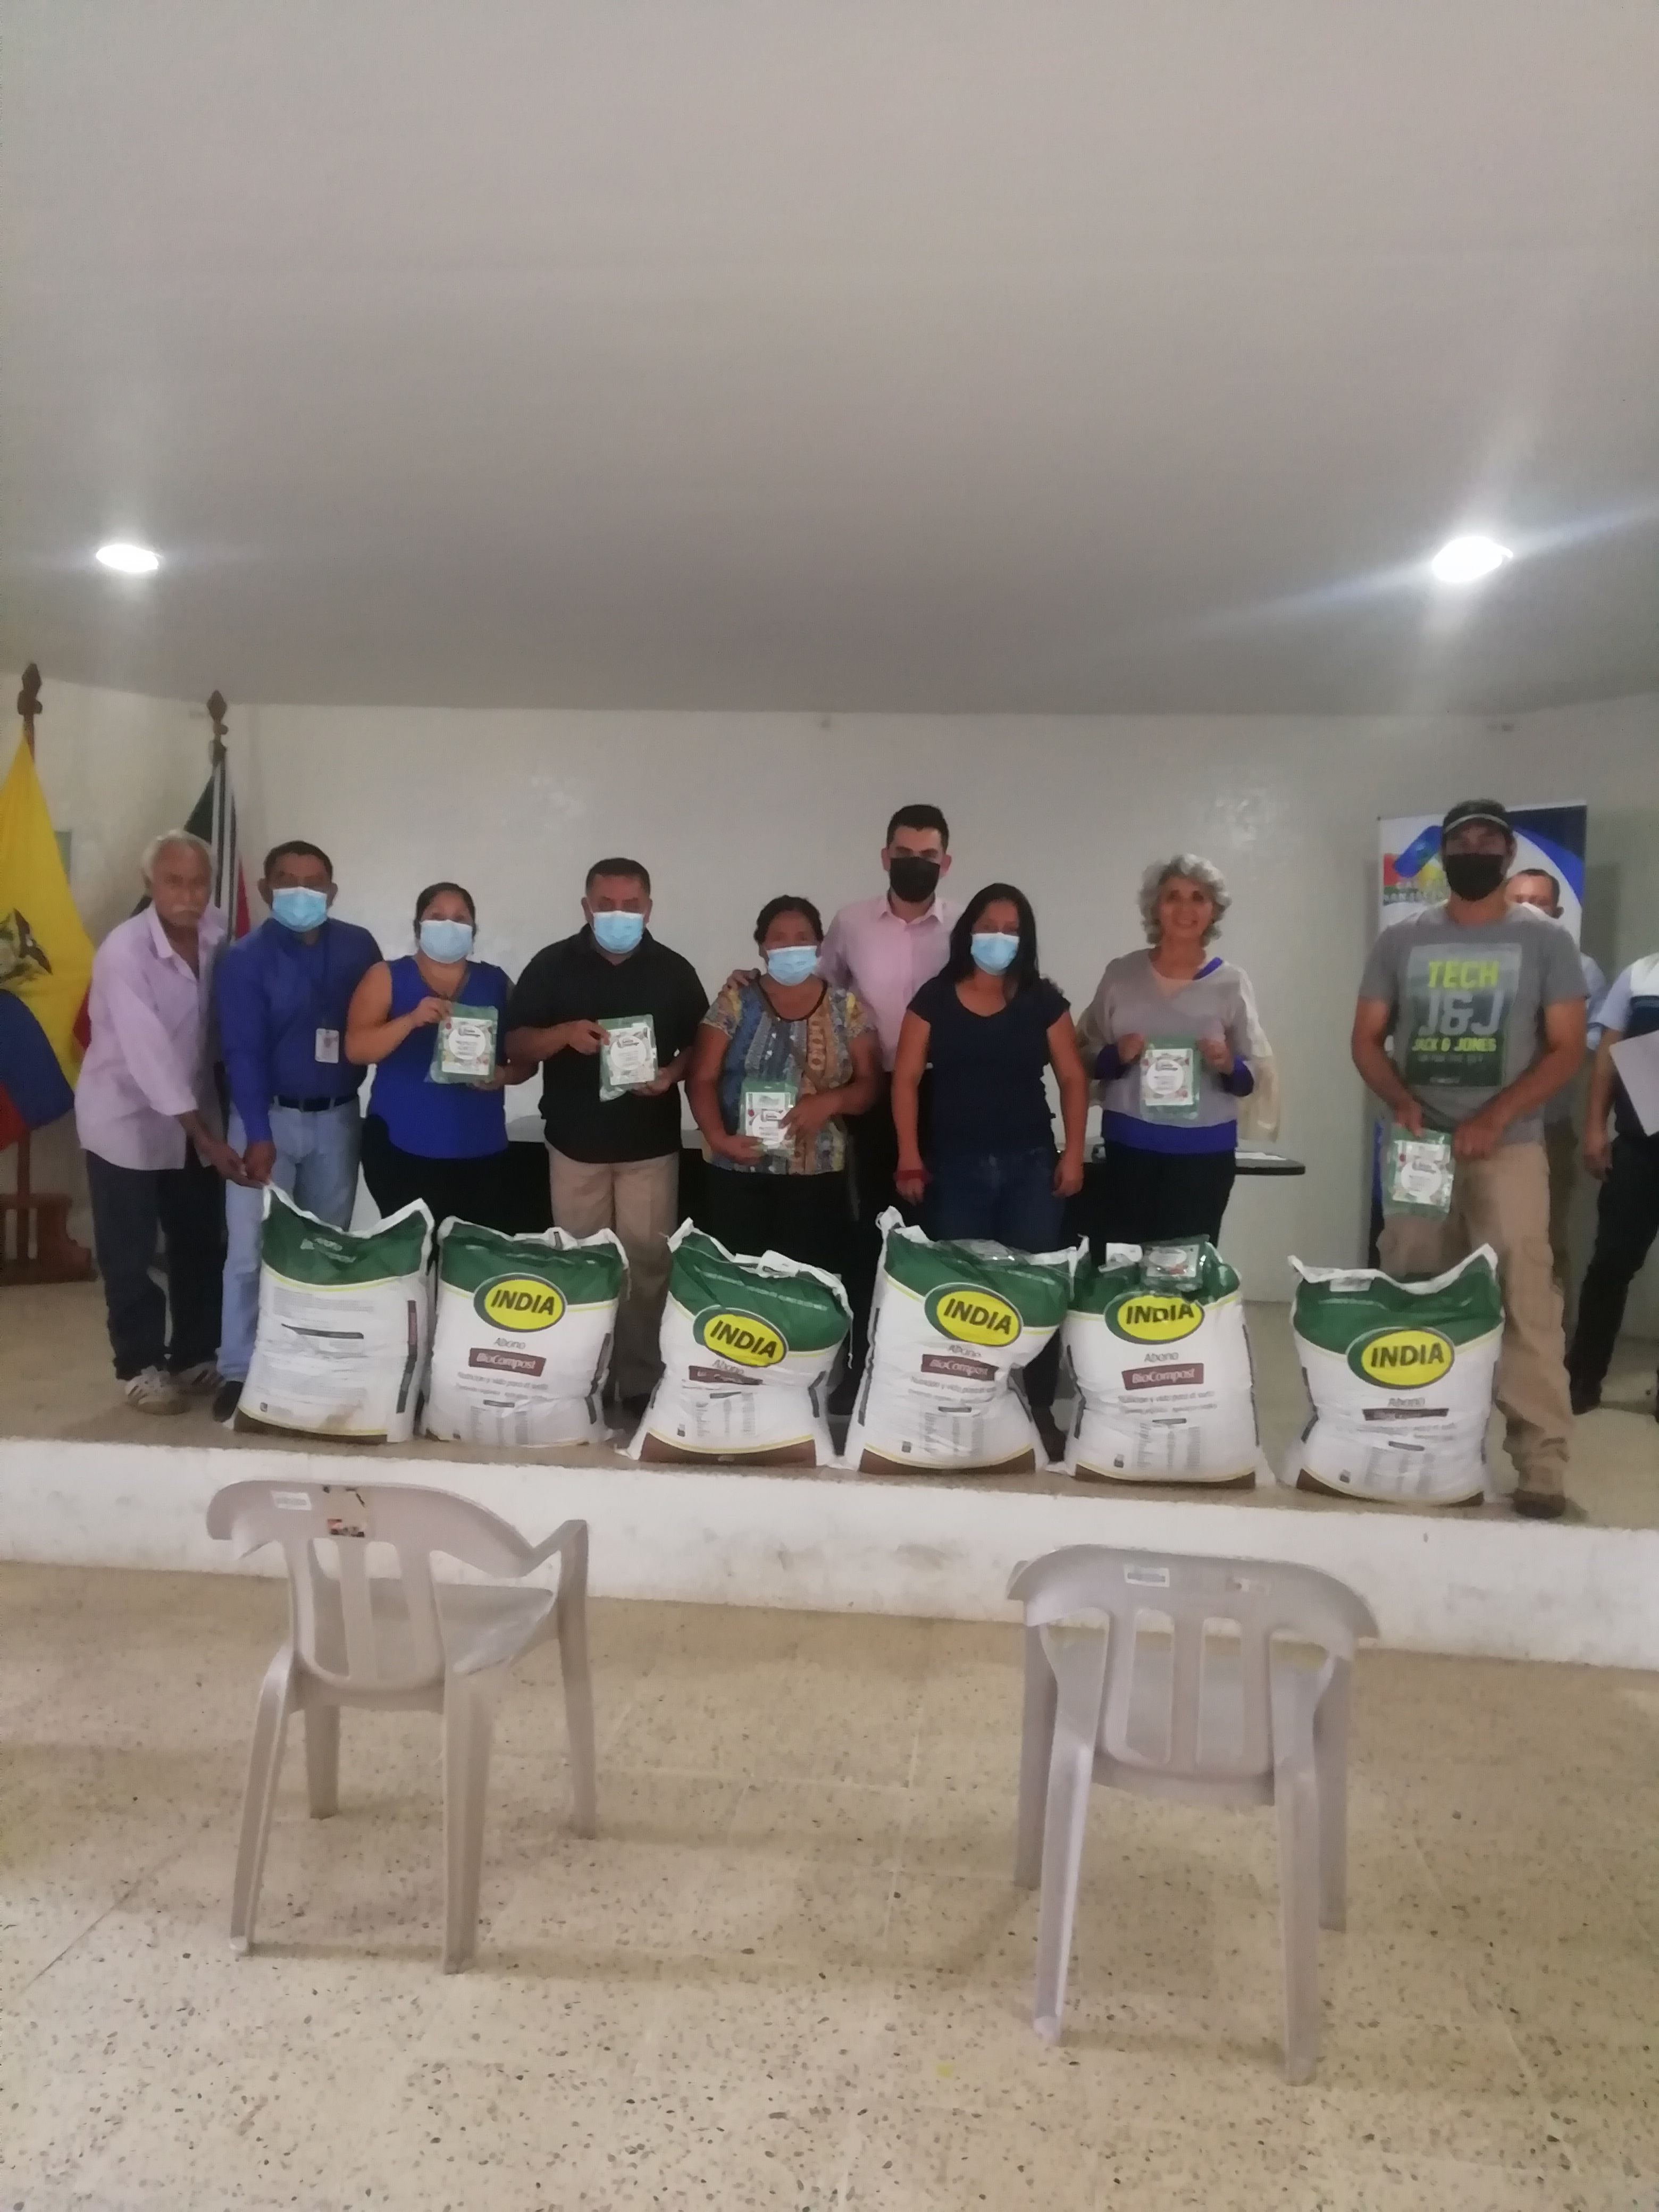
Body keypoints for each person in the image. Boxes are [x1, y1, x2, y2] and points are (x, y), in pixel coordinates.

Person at [1351, 798, 1587, 1519]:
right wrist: (1400, 1098)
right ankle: (1414, 1442)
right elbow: (1366, 1039)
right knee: (1413, 1290)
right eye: (1462, 841)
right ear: (1444, 854)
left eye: (1489, 840)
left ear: (1509, 855)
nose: (1475, 850)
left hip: (1509, 1148)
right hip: (1419, 1149)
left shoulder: (1546, 942)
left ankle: (1541, 1462)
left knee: (1525, 1298)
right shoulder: (1402, 941)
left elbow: (1566, 1049)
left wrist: (1496, 1115)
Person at [890, 883, 1088, 1455]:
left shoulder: (1042, 1000)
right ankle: (960, 1408)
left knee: (1035, 1291)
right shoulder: (934, 998)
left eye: (1011, 929)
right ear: (967, 932)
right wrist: (909, 1155)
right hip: (955, 1169)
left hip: (1032, 1168)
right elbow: (905, 1079)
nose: (998, 938)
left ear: (1025, 939)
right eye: (988, 927)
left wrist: (1073, 1153)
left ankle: (1038, 1408)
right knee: (961, 1294)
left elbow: (1072, 1077)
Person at [504, 859, 707, 1410]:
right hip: (575, 1146)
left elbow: (703, 1044)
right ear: (586, 907)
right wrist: (564, 1034)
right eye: (606, 904)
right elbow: (517, 1043)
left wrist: (670, 1073)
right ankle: (581, 1381)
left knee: (648, 1266)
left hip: (650, 1146)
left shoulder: (674, 970)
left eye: (631, 905)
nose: (619, 914)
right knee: (581, 1267)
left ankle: (638, 1381)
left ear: (649, 908)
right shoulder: (551, 964)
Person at [73, 831, 249, 1411]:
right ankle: (140, 1365)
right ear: (150, 884)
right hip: (125, 1116)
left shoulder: (217, 932)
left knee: (198, 1238)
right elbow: (150, 1058)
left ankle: (195, 1353)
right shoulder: (123, 953)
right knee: (128, 1250)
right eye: (175, 882)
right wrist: (207, 1138)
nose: (189, 895)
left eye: (199, 882)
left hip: (196, 1109)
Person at [211, 840, 382, 1421]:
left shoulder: (359, 947)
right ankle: (238, 1369)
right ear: (266, 889)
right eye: (287, 880)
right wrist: (259, 1134)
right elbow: (242, 1052)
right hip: (263, 1119)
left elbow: (377, 1019)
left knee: (325, 1248)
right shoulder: (245, 958)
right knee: (248, 1251)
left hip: (338, 1116)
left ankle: (309, 1365)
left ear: (332, 891)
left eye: (314, 882)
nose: (302, 892)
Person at [818, 803, 959, 1388]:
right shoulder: (850, 923)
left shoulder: (966, 929)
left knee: (937, 1235)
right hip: (871, 1094)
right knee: (866, 1233)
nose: (915, 864)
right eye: (904, 854)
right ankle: (859, 1368)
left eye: (928, 856)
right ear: (885, 856)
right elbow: (817, 991)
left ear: (946, 863)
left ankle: (924, 1372)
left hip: (947, 1095)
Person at [686, 896, 882, 1281]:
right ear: (762, 947)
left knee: (807, 1287)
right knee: (741, 1284)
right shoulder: (734, 1002)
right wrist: (718, 1138)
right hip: (738, 1169)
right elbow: (702, 1078)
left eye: (802, 937)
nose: (791, 946)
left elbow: (871, 1086)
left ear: (819, 945)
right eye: (779, 938)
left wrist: (831, 1101)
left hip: (817, 1178)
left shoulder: (846, 1008)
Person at [1076, 854, 1257, 1250]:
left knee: (1185, 1270)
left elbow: (1253, 1075)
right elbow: (1084, 1054)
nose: (1185, 909)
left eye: (1198, 898)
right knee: (1124, 1266)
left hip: (1204, 1155)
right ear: (1155, 907)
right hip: (1129, 1149)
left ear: (1214, 910)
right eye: (1173, 896)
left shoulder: (1231, 983)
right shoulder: (1121, 975)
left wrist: (1228, 1064)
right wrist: (1116, 1056)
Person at [345, 881, 529, 1232]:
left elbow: (526, 1058)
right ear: (418, 927)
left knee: (469, 1258)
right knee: (412, 1256)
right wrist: (411, 1020)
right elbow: (356, 1049)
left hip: (481, 1149)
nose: (449, 926)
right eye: (437, 916)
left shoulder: (496, 983)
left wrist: (504, 1076)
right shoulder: (386, 976)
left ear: (473, 930)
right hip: (400, 1147)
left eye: (460, 919)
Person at [1504, 867, 1608, 1294]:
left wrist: (1553, 1045)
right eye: (1519, 900)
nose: (1529, 909)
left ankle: (1552, 1335)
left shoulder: (1581, 968)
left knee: (1544, 1242)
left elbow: (1594, 1041)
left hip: (1547, 1126)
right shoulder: (1483, 960)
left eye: (1539, 902)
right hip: (1475, 1125)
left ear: (1558, 911)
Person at [1567, 949, 1659, 1418]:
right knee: (1610, 1264)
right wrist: (1595, 1128)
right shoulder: (1641, 976)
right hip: (1641, 1145)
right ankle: (1582, 1379)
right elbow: (1607, 1058)